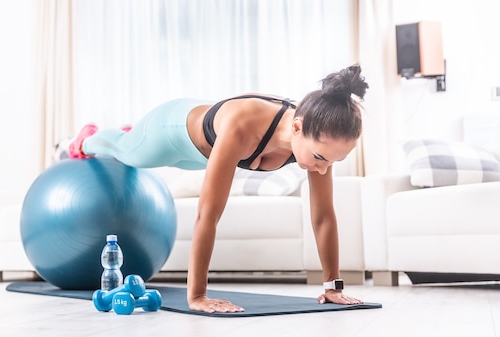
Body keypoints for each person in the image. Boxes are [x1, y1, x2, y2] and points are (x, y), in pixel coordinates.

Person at [69, 64, 369, 313]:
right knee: (126, 153)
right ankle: (86, 140)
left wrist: (333, 287)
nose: (323, 169)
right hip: (171, 133)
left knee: (130, 148)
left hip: (204, 156)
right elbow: (207, 214)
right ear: (296, 127)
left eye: (334, 161)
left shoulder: (319, 142)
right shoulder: (243, 126)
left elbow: (323, 216)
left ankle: (126, 136)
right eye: (319, 158)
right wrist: (197, 296)